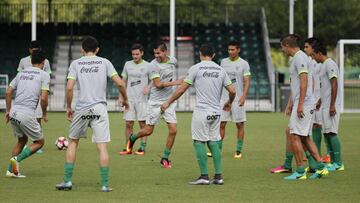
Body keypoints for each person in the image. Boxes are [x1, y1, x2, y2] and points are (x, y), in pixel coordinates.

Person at [55, 36, 129, 192]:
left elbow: (69, 88)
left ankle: (67, 182)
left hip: (81, 108)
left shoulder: (76, 63)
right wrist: (126, 99)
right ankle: (104, 185)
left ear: (82, 49)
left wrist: (69, 107)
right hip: (99, 109)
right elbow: (121, 83)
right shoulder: (105, 62)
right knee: (102, 147)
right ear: (97, 49)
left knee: (73, 142)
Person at [161, 44, 235, 184]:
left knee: (199, 142)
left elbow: (181, 90)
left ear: (200, 54)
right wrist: (229, 102)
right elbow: (232, 91)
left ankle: (204, 177)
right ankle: (218, 177)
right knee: (214, 141)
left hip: (202, 111)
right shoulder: (221, 70)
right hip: (216, 112)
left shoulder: (196, 68)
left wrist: (168, 102)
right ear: (213, 55)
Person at [125, 42, 183, 168]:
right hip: (155, 102)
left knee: (173, 130)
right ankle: (133, 137)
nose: (156, 55)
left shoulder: (173, 61)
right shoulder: (152, 65)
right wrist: (177, 83)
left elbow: (158, 80)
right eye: (155, 53)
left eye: (159, 53)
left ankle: (165, 158)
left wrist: (150, 85)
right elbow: (158, 84)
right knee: (148, 131)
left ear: (165, 52)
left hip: (169, 102)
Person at [280, 34, 328, 180]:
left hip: (305, 103)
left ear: (287, 46)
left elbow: (304, 81)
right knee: (304, 137)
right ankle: (320, 167)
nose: (282, 50)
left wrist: (300, 104)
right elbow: (297, 84)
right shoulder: (298, 58)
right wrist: (291, 104)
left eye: (282, 47)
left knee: (294, 134)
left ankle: (301, 171)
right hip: (305, 103)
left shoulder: (300, 57)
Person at [5, 50, 50, 178]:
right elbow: (44, 98)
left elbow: (8, 92)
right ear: (43, 62)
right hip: (27, 113)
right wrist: (45, 113)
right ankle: (16, 160)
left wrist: (8, 111)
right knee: (39, 142)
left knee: (22, 140)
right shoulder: (44, 75)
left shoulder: (21, 73)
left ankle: (10, 170)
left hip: (14, 111)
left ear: (31, 61)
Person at [208, 41, 250, 159]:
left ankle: (238, 150)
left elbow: (247, 80)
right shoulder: (223, 62)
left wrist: (243, 96)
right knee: (221, 123)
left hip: (237, 99)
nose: (230, 52)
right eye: (229, 50)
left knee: (239, 124)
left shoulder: (244, 64)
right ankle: (218, 150)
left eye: (233, 49)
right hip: (224, 98)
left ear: (238, 50)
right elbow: (220, 79)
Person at [312, 42, 344, 171]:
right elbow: (325, 87)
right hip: (325, 104)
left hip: (331, 105)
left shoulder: (330, 64)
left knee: (332, 132)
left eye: (314, 55)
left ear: (319, 53)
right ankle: (332, 161)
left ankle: (339, 163)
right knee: (326, 133)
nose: (313, 57)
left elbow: (334, 84)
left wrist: (332, 105)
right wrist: (320, 100)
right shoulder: (324, 65)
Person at [18, 40, 52, 154]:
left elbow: (47, 75)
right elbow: (20, 76)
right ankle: (31, 144)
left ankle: (35, 142)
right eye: (33, 50)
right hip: (27, 96)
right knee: (27, 120)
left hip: (37, 94)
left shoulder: (45, 62)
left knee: (37, 118)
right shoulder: (23, 61)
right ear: (30, 50)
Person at [119, 44, 150, 155]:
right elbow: (123, 81)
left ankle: (142, 147)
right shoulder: (127, 64)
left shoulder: (148, 65)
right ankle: (128, 147)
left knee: (142, 124)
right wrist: (121, 96)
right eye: (133, 54)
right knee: (128, 124)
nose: (135, 56)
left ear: (142, 53)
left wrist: (149, 87)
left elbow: (153, 80)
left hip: (142, 100)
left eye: (137, 54)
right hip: (129, 99)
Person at [304, 37, 331, 163]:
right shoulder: (309, 61)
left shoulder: (319, 62)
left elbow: (319, 82)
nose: (305, 49)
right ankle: (317, 155)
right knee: (314, 127)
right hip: (313, 99)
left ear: (313, 48)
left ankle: (327, 155)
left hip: (318, 99)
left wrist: (319, 98)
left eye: (306, 47)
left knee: (321, 126)